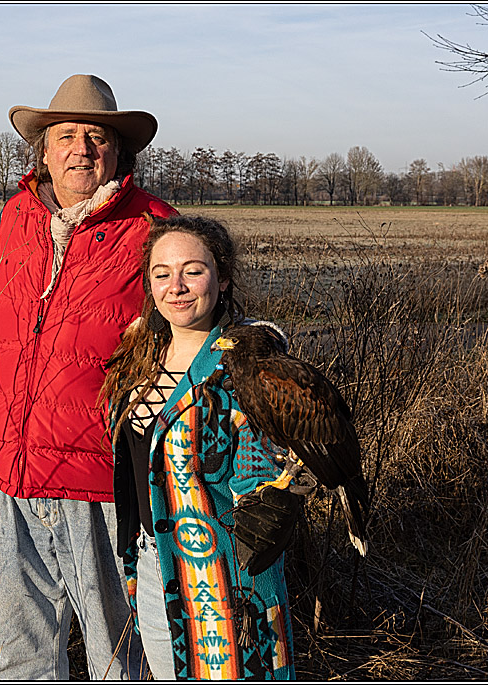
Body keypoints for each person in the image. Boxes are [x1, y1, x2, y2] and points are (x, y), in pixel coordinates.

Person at [0, 74, 176, 679]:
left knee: (119, 649)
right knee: (22, 645)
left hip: (100, 478)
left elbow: (193, 341)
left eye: (96, 136)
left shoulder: (154, 227)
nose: (80, 148)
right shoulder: (17, 216)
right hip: (8, 473)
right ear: (43, 148)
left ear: (119, 151)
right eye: (65, 135)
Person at [100, 215, 298, 680]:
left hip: (225, 576)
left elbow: (265, 484)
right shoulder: (140, 355)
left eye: (193, 270)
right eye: (162, 274)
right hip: (152, 565)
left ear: (222, 277)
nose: (177, 286)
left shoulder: (249, 365)